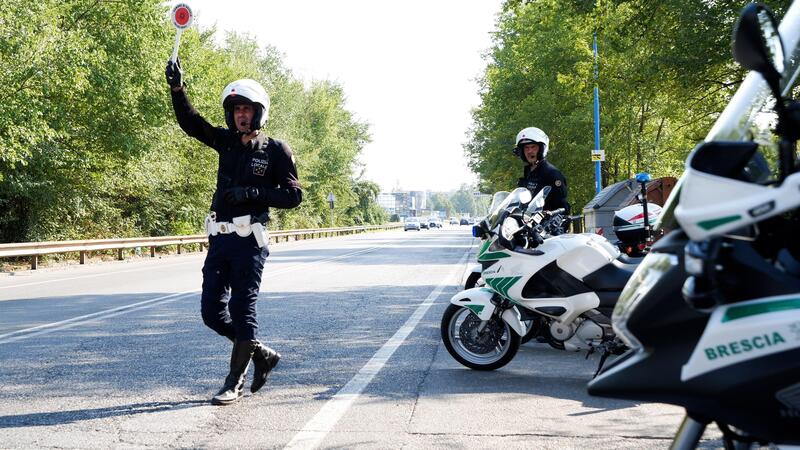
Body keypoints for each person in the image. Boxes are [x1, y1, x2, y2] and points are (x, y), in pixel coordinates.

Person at [165, 59, 302, 405]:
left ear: (259, 113)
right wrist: (177, 89)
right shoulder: (225, 142)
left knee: (243, 310)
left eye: (247, 109)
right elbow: (191, 124)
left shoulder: (275, 150)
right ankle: (260, 353)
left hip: (250, 242)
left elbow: (293, 195)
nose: (241, 115)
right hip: (220, 239)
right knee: (211, 313)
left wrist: (253, 193)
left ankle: (233, 382)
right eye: (237, 109)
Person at [514, 127, 571, 219]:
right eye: (526, 148)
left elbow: (563, 207)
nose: (529, 151)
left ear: (541, 149)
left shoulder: (552, 174)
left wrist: (550, 216)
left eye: (533, 147)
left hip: (546, 229)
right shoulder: (528, 174)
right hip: (527, 226)